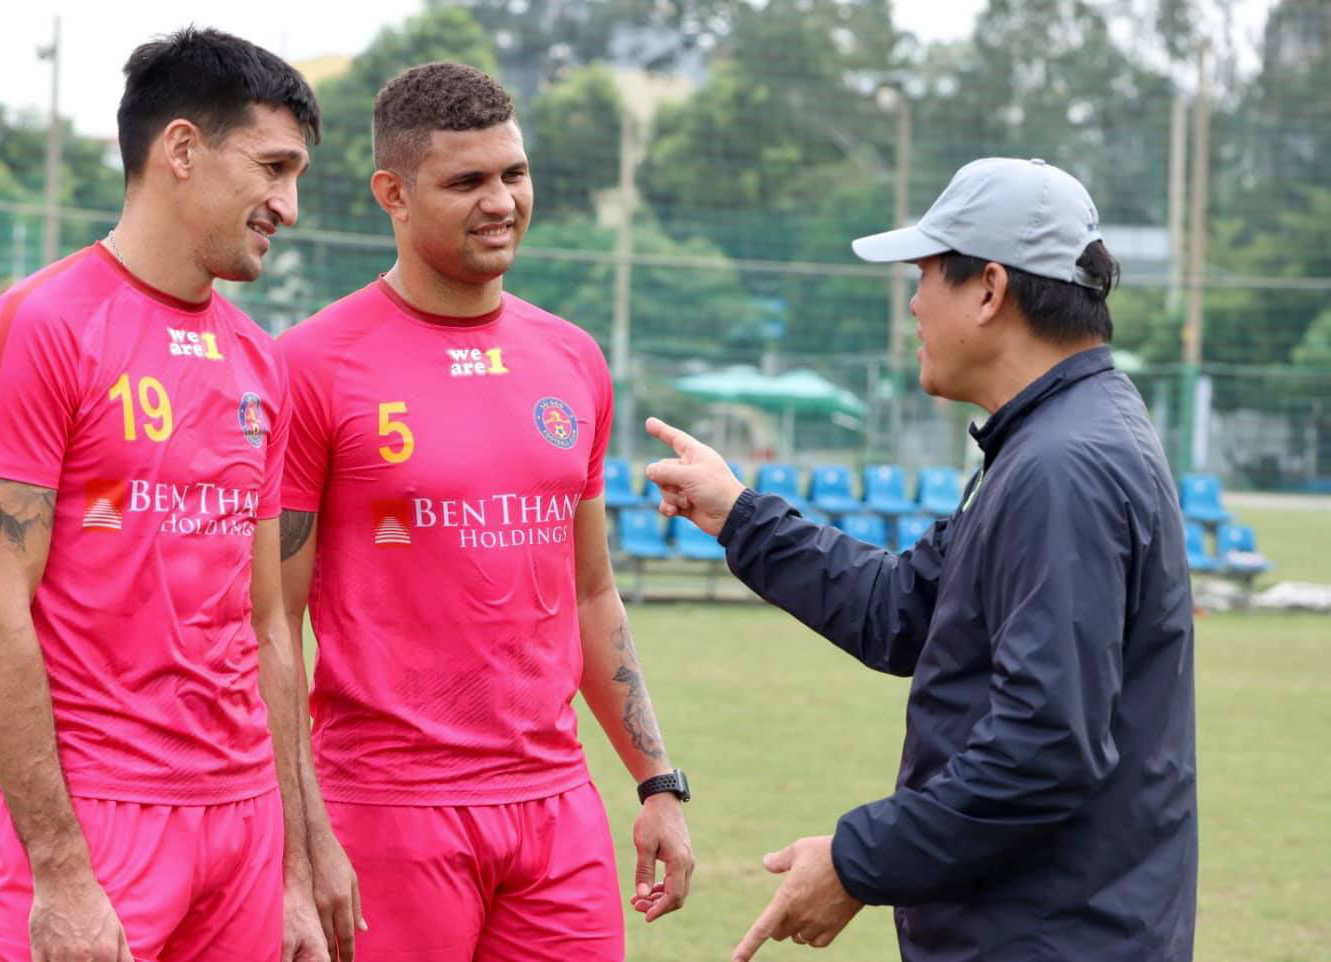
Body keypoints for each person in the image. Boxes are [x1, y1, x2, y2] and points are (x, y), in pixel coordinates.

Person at [647, 157, 1197, 962]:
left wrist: (856, 861)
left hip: (1051, 938)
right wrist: (740, 515)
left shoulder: (1063, 467)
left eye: (926, 274)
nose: (913, 303)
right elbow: (904, 611)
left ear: (989, 289)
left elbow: (1043, 748)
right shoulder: (1050, 441)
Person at [276, 61, 694, 962]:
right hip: (386, 811)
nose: (501, 200)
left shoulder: (573, 360)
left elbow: (590, 594)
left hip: (556, 810)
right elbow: (267, 624)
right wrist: (298, 838)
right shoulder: (311, 367)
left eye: (514, 173)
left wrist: (657, 780)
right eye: (466, 181)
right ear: (392, 192)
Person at [0, 27, 328, 962]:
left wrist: (288, 868)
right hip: (99, 820)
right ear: (183, 150)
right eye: (273, 167)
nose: (288, 204)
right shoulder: (39, 327)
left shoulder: (260, 362)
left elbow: (268, 625)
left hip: (241, 824)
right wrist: (63, 871)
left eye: (299, 177)